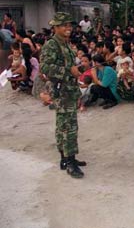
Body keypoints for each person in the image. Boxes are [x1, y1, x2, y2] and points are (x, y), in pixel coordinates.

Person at [40, 12, 85, 178]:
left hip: (69, 90)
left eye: (69, 25)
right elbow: (45, 68)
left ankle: (65, 158)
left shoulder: (64, 43)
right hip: (62, 91)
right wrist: (68, 71)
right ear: (56, 27)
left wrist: (75, 70)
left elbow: (67, 65)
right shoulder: (52, 45)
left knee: (64, 124)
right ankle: (70, 161)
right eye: (64, 25)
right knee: (68, 127)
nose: (68, 28)